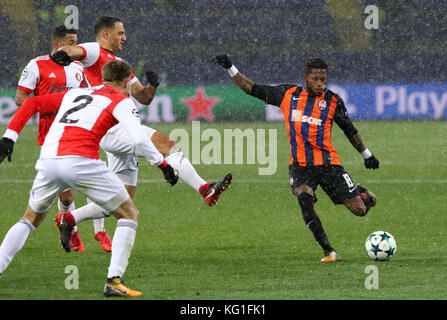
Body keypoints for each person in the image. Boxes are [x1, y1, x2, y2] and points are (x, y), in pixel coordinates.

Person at [0, 60, 177, 296]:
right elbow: (139, 140)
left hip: (50, 159)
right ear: (126, 83)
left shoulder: (75, 92)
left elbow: (30, 103)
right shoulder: (120, 99)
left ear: (103, 77)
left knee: (29, 219)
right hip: (82, 161)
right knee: (129, 214)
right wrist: (164, 165)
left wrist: (9, 138)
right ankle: (114, 281)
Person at [51, 16, 232, 233]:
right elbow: (74, 52)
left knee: (121, 202)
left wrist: (152, 85)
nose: (124, 37)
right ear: (105, 34)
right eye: (120, 33)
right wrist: (63, 55)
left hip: (118, 130)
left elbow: (143, 97)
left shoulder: (118, 66)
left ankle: (69, 218)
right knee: (167, 144)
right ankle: (204, 188)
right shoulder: (95, 51)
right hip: (114, 127)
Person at [213, 55, 379, 262]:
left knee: (359, 210)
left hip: (328, 165)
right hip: (300, 166)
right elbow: (251, 88)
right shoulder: (288, 94)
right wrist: (230, 67)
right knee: (304, 199)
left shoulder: (333, 101)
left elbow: (349, 130)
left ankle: (363, 194)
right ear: (305, 78)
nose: (321, 83)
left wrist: (367, 155)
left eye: (323, 79)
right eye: (316, 79)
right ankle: (329, 251)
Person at [15, 25, 112, 252]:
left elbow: (92, 94)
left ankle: (100, 230)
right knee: (67, 196)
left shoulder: (79, 67)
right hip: (52, 136)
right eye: (71, 42)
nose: (75, 47)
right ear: (57, 45)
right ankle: (71, 228)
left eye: (77, 42)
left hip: (80, 132)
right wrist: (49, 104)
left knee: (95, 181)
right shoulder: (37, 65)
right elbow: (21, 98)